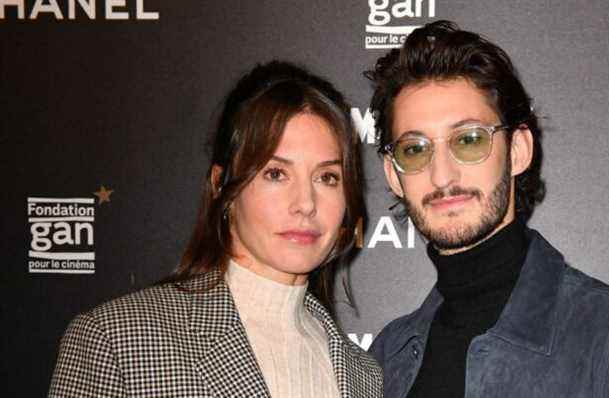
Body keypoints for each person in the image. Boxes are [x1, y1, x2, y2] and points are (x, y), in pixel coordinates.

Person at [365, 21, 609, 397]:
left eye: (469, 140)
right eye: (414, 148)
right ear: (394, 175)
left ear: (517, 151)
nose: (442, 174)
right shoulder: (386, 358)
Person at [48, 61, 382, 397]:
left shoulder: (364, 375)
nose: (306, 202)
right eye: (276, 173)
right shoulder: (116, 340)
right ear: (222, 186)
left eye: (327, 177)